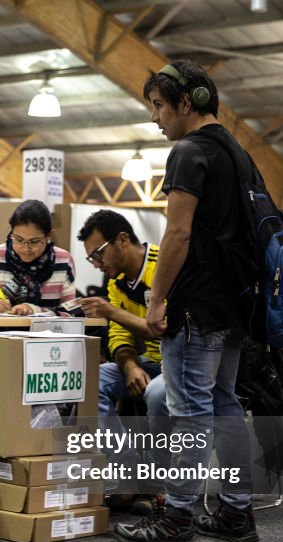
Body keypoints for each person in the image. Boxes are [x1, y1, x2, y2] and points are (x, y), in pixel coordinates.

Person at [113, 60, 258, 542]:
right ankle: (237, 512)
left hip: (195, 304)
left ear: (186, 102)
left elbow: (177, 233)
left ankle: (177, 518)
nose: (155, 118)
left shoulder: (189, 152)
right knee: (225, 405)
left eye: (158, 106)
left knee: (190, 410)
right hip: (234, 304)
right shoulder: (240, 153)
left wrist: (156, 301)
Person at [76, 208, 167, 515]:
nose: (97, 264)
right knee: (91, 383)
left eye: (99, 254)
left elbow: (164, 328)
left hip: (180, 362)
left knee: (157, 394)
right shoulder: (117, 283)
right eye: (91, 258)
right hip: (149, 361)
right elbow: (119, 335)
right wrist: (129, 365)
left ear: (123, 240)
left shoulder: (164, 266)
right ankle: (129, 472)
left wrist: (111, 312)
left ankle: (155, 485)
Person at [0, 199, 77, 314]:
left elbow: (70, 314)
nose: (26, 249)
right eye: (19, 240)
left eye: (34, 241)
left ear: (49, 235)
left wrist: (35, 311)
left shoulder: (63, 261)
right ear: (11, 232)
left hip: (44, 335)